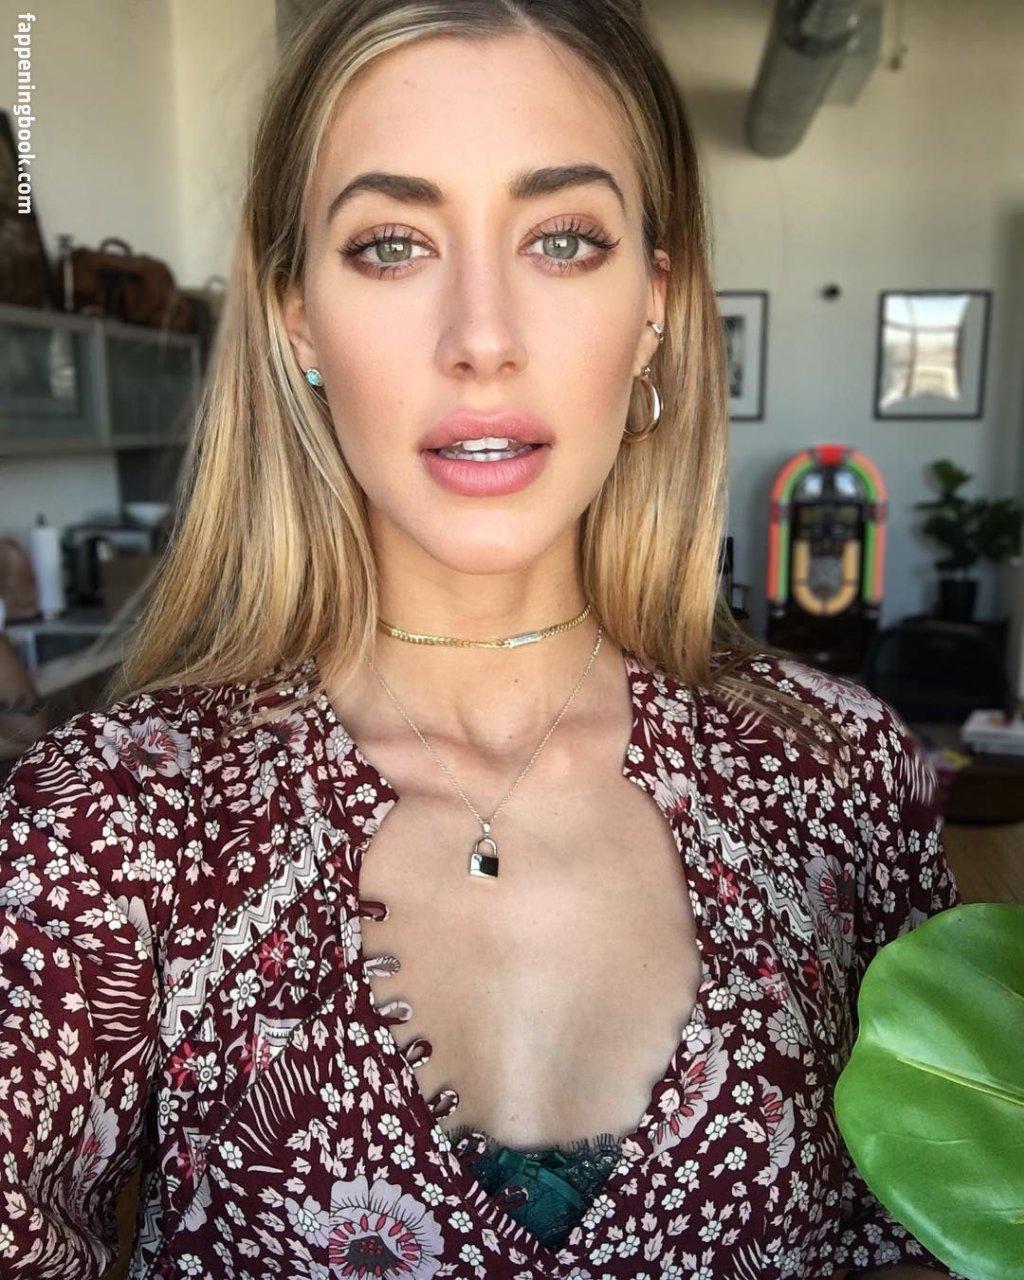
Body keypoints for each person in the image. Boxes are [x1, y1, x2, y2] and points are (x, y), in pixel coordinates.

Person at [0, 2, 959, 1277]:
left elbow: (922, 1234)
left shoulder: (842, 780)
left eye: (562, 238)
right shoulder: (111, 818)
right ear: (297, 318)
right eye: (391, 245)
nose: (483, 339)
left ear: (654, 301)